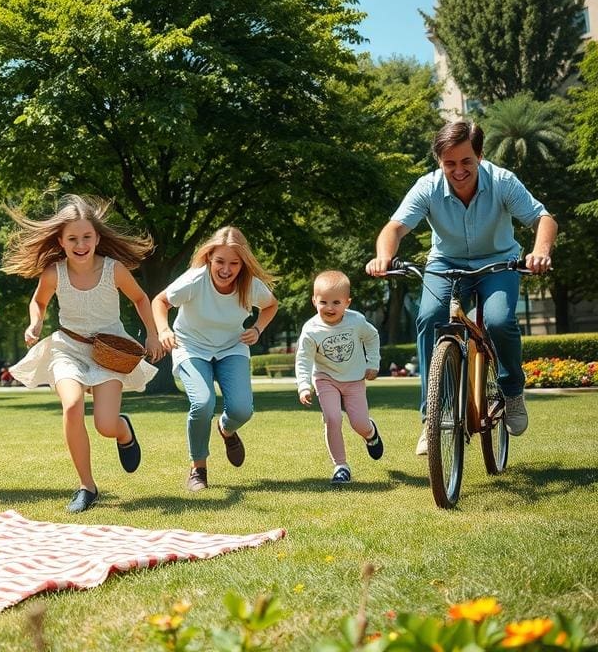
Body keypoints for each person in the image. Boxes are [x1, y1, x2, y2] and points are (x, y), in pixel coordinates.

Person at [366, 121, 556, 454]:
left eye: (466, 161)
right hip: (446, 264)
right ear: (439, 162)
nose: (458, 170)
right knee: (430, 317)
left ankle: (512, 390)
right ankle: (433, 416)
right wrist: (383, 257)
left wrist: (540, 251)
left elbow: (543, 219)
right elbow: (394, 228)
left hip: (498, 264)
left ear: (479, 156)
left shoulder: (502, 182)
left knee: (498, 320)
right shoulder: (427, 187)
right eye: (449, 163)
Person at [3, 194, 162, 513]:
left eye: (87, 237)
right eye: (72, 238)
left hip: (109, 352)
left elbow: (141, 299)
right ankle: (86, 486)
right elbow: (38, 302)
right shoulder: (54, 272)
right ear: (60, 241)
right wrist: (35, 323)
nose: (80, 244)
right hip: (67, 348)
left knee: (105, 425)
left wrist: (153, 333)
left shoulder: (114, 270)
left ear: (97, 238)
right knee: (73, 405)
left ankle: (122, 429)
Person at [152, 226, 279, 492]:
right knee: (202, 402)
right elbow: (160, 301)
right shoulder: (195, 280)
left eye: (234, 263)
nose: (226, 269)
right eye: (220, 261)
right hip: (191, 347)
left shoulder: (250, 285)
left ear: (243, 263)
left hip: (232, 347)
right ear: (209, 257)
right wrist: (163, 330)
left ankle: (226, 429)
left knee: (242, 410)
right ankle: (198, 469)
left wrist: (257, 329)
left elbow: (271, 305)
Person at [295, 270, 384, 484]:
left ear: (347, 302)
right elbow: (303, 359)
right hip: (325, 378)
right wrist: (304, 386)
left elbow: (372, 337)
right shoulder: (311, 330)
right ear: (314, 301)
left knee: (359, 424)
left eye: (336, 302)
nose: (330, 308)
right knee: (332, 418)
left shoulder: (356, 321)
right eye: (323, 302)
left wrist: (372, 363)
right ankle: (341, 466)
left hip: (354, 379)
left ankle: (370, 433)